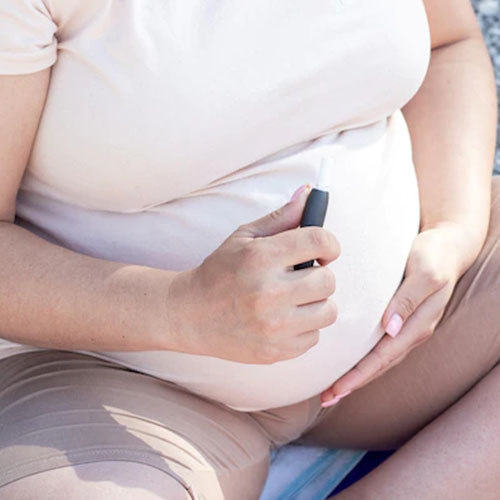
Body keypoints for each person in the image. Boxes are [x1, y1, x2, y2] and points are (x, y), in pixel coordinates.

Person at [0, 0, 498, 498]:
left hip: (395, 349)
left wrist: (454, 230)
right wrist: (181, 309)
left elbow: (448, 43)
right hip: (122, 383)